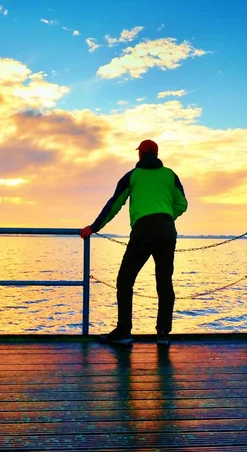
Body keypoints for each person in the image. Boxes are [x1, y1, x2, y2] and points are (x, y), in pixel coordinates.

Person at [80, 139, 188, 346]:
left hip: (143, 230)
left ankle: (124, 331)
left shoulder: (132, 176)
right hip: (167, 230)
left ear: (140, 155)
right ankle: (163, 335)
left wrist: (94, 227)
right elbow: (182, 204)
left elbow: (114, 204)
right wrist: (166, 217)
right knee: (164, 282)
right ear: (156, 154)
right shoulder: (170, 175)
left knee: (125, 280)